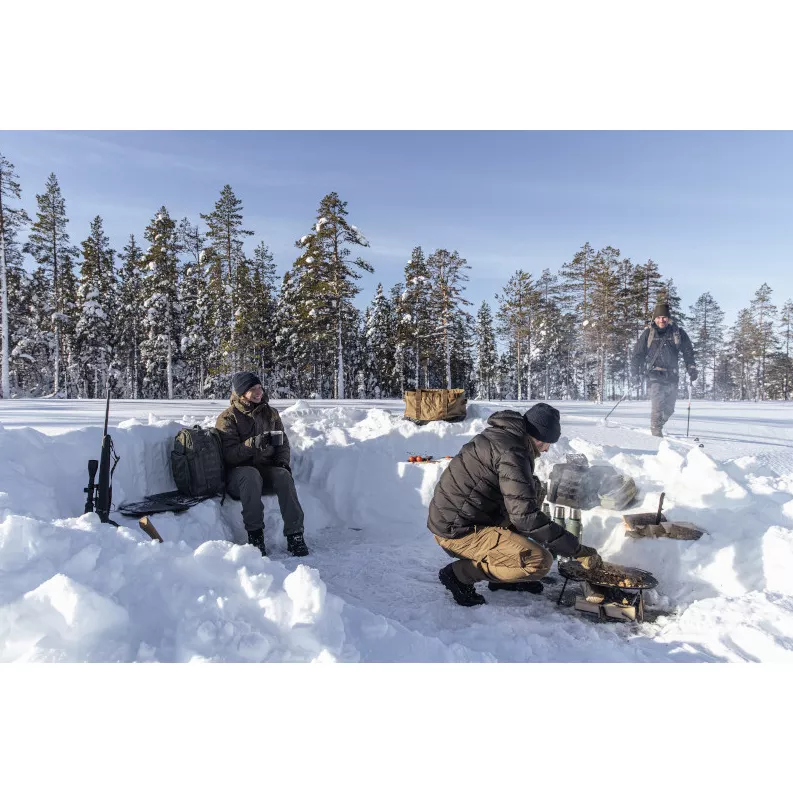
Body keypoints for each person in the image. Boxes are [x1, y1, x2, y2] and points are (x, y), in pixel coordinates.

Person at [427, 402, 602, 607]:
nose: (546, 450)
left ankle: (505, 580)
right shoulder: (512, 452)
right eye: (548, 444)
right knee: (539, 561)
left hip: (463, 518)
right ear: (538, 439)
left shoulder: (507, 437)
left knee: (533, 489)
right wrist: (576, 549)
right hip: (457, 532)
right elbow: (525, 517)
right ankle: (458, 575)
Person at [215, 372, 309, 557]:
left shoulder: (270, 413)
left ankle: (295, 535)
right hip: (238, 476)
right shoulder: (228, 418)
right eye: (252, 389)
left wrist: (282, 463)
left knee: (283, 475)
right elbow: (229, 455)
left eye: (259, 388)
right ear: (241, 393)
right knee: (250, 475)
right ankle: (255, 537)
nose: (258, 392)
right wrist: (252, 444)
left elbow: (283, 443)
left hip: (264, 470)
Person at [631, 300, 697, 437]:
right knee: (658, 406)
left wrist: (691, 367)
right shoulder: (648, 334)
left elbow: (688, 352)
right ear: (654, 319)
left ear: (668, 318)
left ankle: (658, 424)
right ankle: (656, 435)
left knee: (669, 409)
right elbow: (637, 355)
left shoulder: (678, 333)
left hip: (672, 376)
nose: (662, 320)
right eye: (659, 317)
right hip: (654, 375)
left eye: (664, 317)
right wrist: (635, 373)